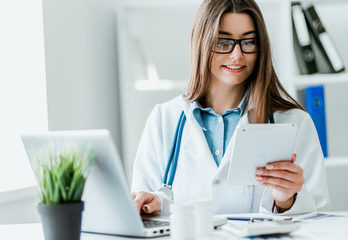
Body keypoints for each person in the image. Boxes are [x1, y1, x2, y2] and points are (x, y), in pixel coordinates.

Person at [131, 0, 330, 215]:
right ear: (202, 43)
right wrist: (153, 204)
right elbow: (142, 212)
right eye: (223, 42)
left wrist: (286, 200)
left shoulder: (294, 122)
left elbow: (319, 218)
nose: (237, 55)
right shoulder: (164, 119)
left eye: (249, 41)